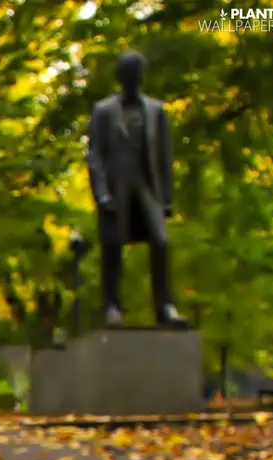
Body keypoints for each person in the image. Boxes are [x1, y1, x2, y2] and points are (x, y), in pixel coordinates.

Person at [86, 51, 182, 326]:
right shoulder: (104, 110)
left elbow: (164, 156)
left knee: (161, 242)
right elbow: (95, 155)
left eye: (138, 72)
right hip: (117, 188)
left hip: (147, 187)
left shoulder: (156, 110)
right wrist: (101, 193)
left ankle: (164, 306)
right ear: (122, 76)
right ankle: (112, 306)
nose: (135, 78)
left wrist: (166, 197)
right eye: (130, 73)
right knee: (113, 246)